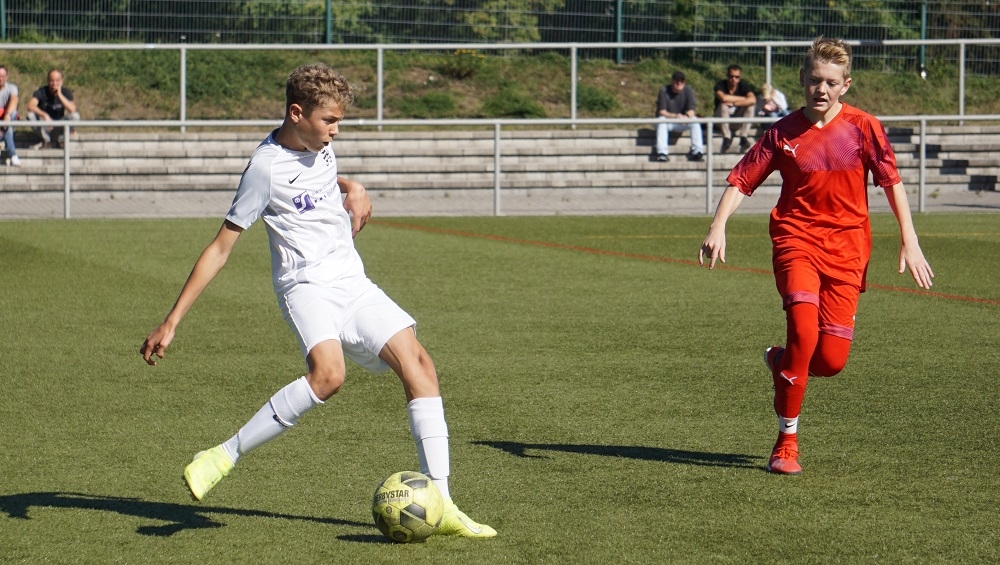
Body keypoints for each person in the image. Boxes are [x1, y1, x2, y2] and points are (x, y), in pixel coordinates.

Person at [139, 63, 496, 538]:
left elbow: (322, 179)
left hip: (352, 280)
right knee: (329, 376)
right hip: (305, 286)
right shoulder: (264, 169)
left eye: (338, 121)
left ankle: (444, 503)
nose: (335, 131)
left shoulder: (321, 146)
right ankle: (222, 456)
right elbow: (221, 248)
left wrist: (354, 187)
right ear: (296, 113)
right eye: (329, 120)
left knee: (420, 364)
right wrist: (172, 321)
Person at [698, 37, 934, 476]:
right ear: (802, 80)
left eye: (830, 82)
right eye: (813, 80)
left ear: (846, 85)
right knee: (804, 333)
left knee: (829, 362)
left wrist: (910, 238)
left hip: (847, 251)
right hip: (797, 242)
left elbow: (892, 182)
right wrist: (718, 225)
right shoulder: (781, 132)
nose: (821, 89)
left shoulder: (864, 127)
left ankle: (779, 361)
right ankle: (786, 443)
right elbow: (742, 180)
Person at [654, 71, 705, 162]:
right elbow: (661, 111)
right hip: (668, 122)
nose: (679, 83)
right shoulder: (664, 91)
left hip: (683, 121)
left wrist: (686, 116)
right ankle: (662, 153)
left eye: (681, 81)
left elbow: (692, 110)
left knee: (695, 120)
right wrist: (675, 116)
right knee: (661, 120)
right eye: (677, 81)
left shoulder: (689, 91)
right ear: (672, 81)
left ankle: (697, 151)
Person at [26, 68, 79, 149]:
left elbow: (72, 109)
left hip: (58, 126)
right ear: (48, 81)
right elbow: (30, 105)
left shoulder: (66, 92)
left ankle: (61, 140)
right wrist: (44, 115)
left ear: (61, 81)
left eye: (57, 81)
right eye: (52, 81)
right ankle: (46, 141)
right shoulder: (42, 91)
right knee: (30, 116)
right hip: (44, 125)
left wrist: (59, 95)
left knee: (75, 116)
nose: (54, 84)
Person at [713, 64, 756, 153]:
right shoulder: (720, 85)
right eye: (731, 76)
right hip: (720, 121)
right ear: (727, 76)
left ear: (740, 77)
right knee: (723, 105)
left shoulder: (743, 85)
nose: (734, 79)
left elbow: (753, 100)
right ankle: (727, 137)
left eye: (737, 77)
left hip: (736, 119)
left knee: (750, 107)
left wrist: (734, 103)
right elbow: (723, 98)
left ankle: (743, 136)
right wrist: (744, 99)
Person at [0, 65, 21, 166]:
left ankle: (2, 131)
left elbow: (14, 100)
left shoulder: (12, 88)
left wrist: (7, 114)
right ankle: (13, 155)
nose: (1, 78)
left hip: (6, 119)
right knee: (9, 128)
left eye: (3, 76)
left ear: (7, 77)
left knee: (13, 113)